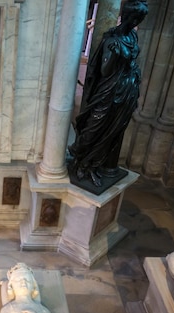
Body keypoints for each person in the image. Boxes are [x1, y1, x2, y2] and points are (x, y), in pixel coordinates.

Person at [68, 0, 149, 187]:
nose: (139, 22)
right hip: (108, 92)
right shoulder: (112, 42)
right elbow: (105, 70)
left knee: (113, 131)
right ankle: (82, 162)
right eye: (137, 17)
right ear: (129, 16)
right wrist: (120, 56)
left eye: (141, 18)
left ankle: (94, 166)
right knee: (94, 128)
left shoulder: (132, 37)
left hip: (126, 92)